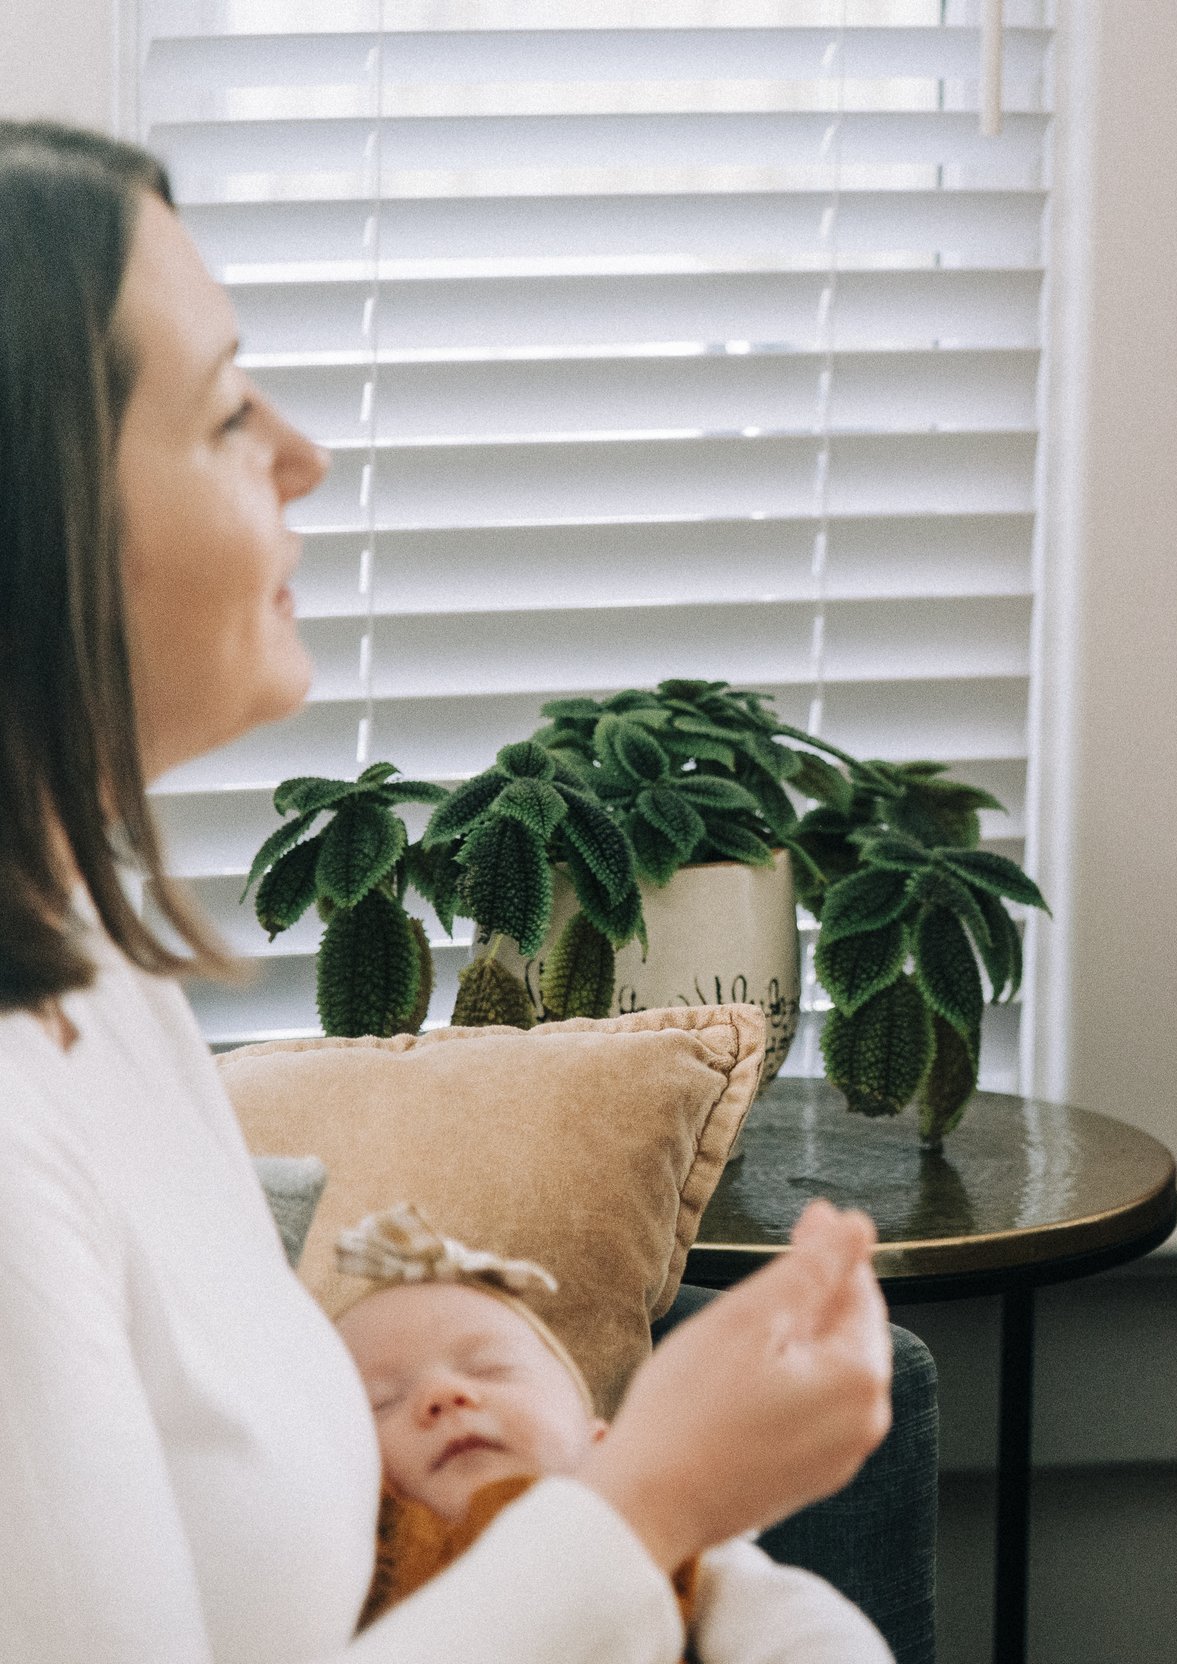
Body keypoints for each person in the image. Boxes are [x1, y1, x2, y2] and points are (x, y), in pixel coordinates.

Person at [0, 120, 895, 1661]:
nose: (304, 454)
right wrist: (651, 1496)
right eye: (225, 414)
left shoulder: (92, 971)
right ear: (48, 515)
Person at [333, 1206, 890, 1662]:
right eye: (382, 1401)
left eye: (491, 1369)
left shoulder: (690, 1557)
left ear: (602, 1441)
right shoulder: (349, 1574)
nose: (441, 1394)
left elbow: (801, 1629)